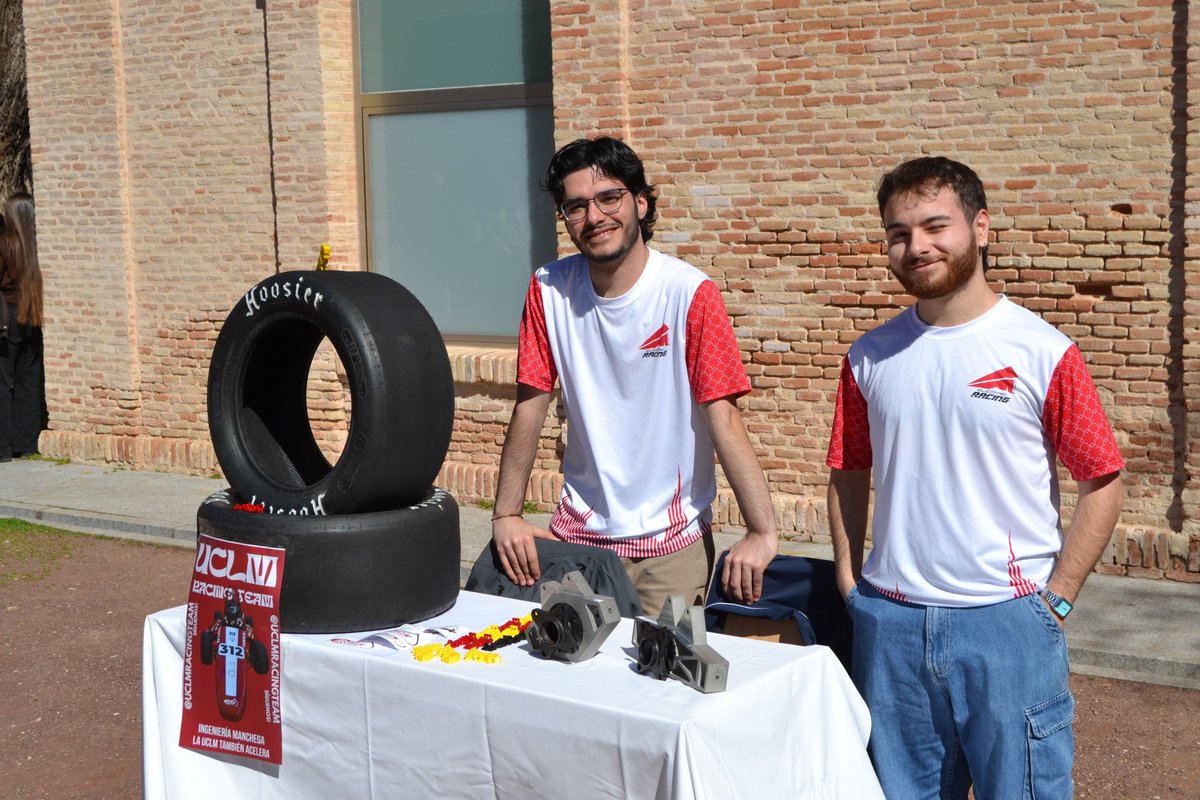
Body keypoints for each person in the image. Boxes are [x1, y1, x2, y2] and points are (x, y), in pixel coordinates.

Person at [825, 157, 1124, 799]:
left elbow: (1103, 479)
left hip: (1008, 624)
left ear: (980, 227)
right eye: (899, 232)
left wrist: (1058, 598)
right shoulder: (868, 357)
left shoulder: (1041, 351)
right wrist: (851, 582)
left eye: (936, 225)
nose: (917, 246)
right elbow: (848, 471)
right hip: (892, 623)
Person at [490, 136, 778, 615]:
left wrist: (762, 531)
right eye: (576, 207)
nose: (595, 217)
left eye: (608, 198)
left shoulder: (689, 293)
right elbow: (530, 403)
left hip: (671, 547)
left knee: (666, 684)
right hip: (578, 539)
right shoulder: (548, 289)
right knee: (569, 678)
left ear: (640, 203)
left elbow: (723, 417)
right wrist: (506, 514)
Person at [0, 192, 45, 462]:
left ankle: (3, 448)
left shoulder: (5, 245)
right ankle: (26, 443)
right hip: (33, 314)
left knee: (3, 383)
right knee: (29, 380)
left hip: (6, 317)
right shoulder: (37, 246)